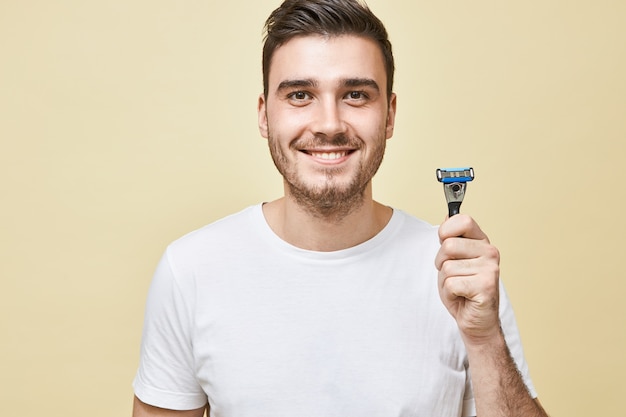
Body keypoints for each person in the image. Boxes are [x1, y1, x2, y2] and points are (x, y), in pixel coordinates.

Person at [132, 0, 549, 416]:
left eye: (355, 95)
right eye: (300, 95)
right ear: (264, 116)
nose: (329, 124)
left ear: (389, 114)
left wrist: (484, 339)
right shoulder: (191, 270)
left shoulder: (458, 273)